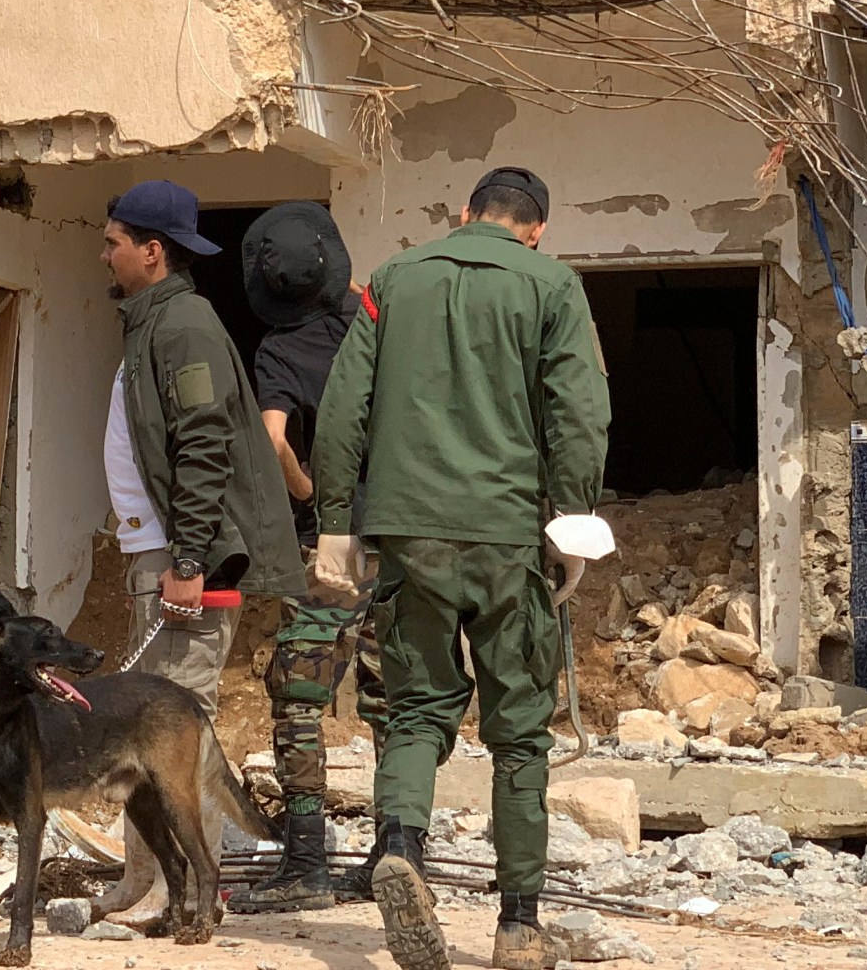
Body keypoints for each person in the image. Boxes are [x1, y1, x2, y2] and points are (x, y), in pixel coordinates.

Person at [310, 167, 610, 970]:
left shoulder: (392, 281)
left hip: (409, 536)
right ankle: (517, 926)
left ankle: (402, 847)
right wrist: (572, 526)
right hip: (511, 536)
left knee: (414, 712)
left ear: (463, 215)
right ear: (535, 229)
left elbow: (343, 409)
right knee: (519, 735)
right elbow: (579, 414)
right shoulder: (552, 285)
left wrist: (335, 525)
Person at [89, 180, 303, 927]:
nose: (105, 252)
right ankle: (141, 879)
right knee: (137, 727)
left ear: (151, 252)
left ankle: (187, 893)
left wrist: (188, 561)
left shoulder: (185, 327)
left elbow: (204, 446)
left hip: (188, 564)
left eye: (114, 241)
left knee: (174, 731)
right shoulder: (153, 323)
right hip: (160, 556)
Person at [229, 201, 389, 916]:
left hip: (333, 546)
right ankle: (396, 854)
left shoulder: (279, 351)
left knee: (298, 698)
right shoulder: (381, 320)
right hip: (404, 535)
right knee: (397, 702)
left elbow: (270, 440)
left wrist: (305, 488)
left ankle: (306, 861)